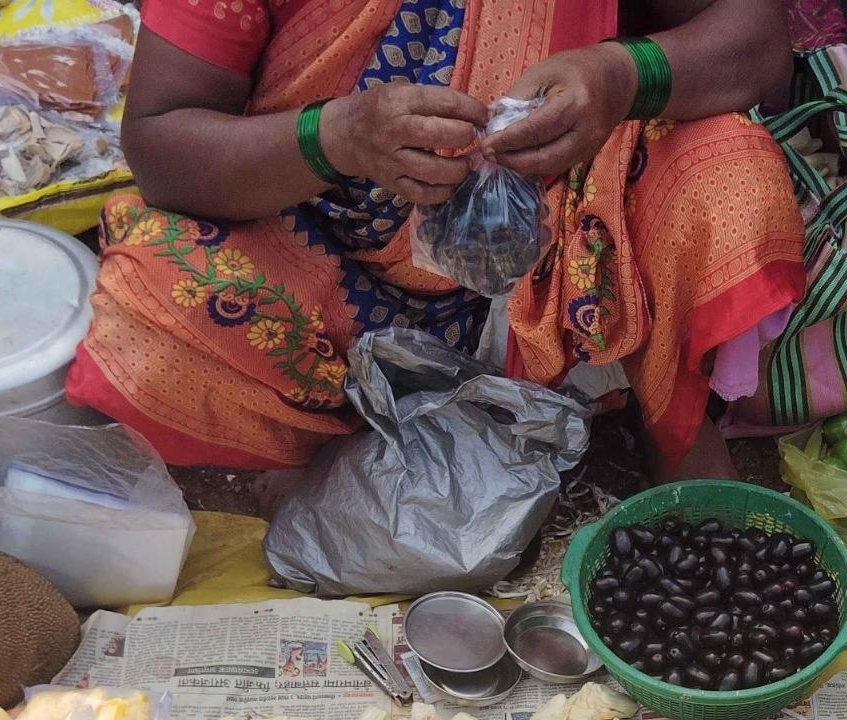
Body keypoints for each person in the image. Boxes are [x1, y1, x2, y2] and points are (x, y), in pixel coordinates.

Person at [68, 0, 807, 484]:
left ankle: (656, 408)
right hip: (314, 262)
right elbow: (162, 147)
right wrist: (337, 137)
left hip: (557, 253)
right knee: (150, 307)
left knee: (725, 170)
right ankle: (339, 433)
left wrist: (620, 74)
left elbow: (755, 43)